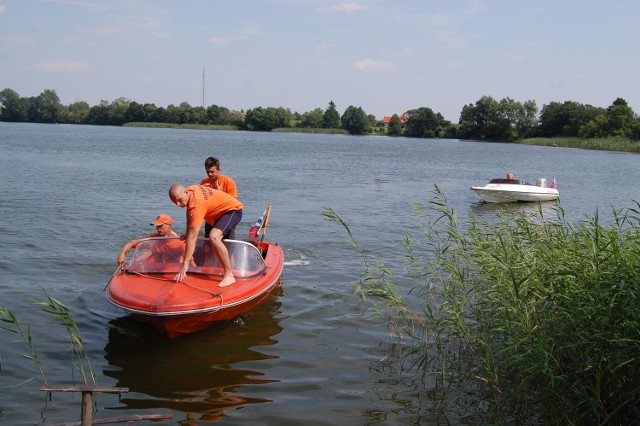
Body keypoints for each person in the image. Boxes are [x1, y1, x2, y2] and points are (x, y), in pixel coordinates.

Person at [169, 184, 243, 287]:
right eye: (174, 202)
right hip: (214, 214)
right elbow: (189, 215)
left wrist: (185, 264)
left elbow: (193, 237)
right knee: (210, 247)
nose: (178, 204)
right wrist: (187, 232)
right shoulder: (191, 190)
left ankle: (230, 275)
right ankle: (216, 270)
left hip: (232, 211)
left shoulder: (197, 205)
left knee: (214, 236)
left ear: (185, 192)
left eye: (179, 200)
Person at [200, 156, 239, 239]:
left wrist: (219, 193)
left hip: (225, 219)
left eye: (212, 171)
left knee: (229, 245)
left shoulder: (228, 182)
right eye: (207, 172)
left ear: (218, 170)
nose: (210, 174)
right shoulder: (204, 182)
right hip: (210, 220)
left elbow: (233, 204)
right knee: (208, 246)